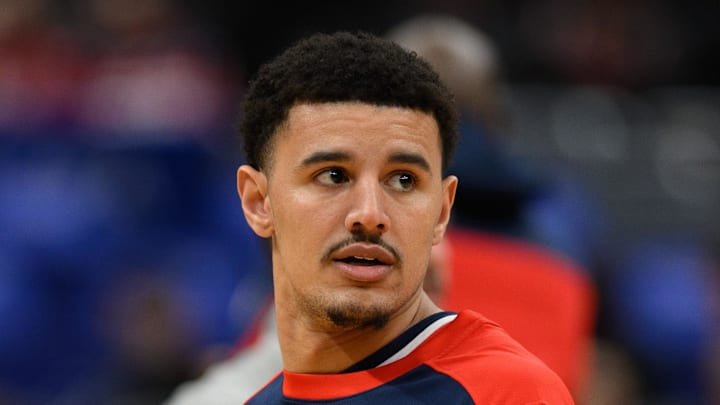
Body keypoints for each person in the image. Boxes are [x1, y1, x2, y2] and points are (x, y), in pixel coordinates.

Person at [232, 31, 573, 403]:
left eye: (403, 180)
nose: (369, 214)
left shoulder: (504, 392)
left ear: (442, 210)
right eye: (334, 175)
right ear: (258, 202)